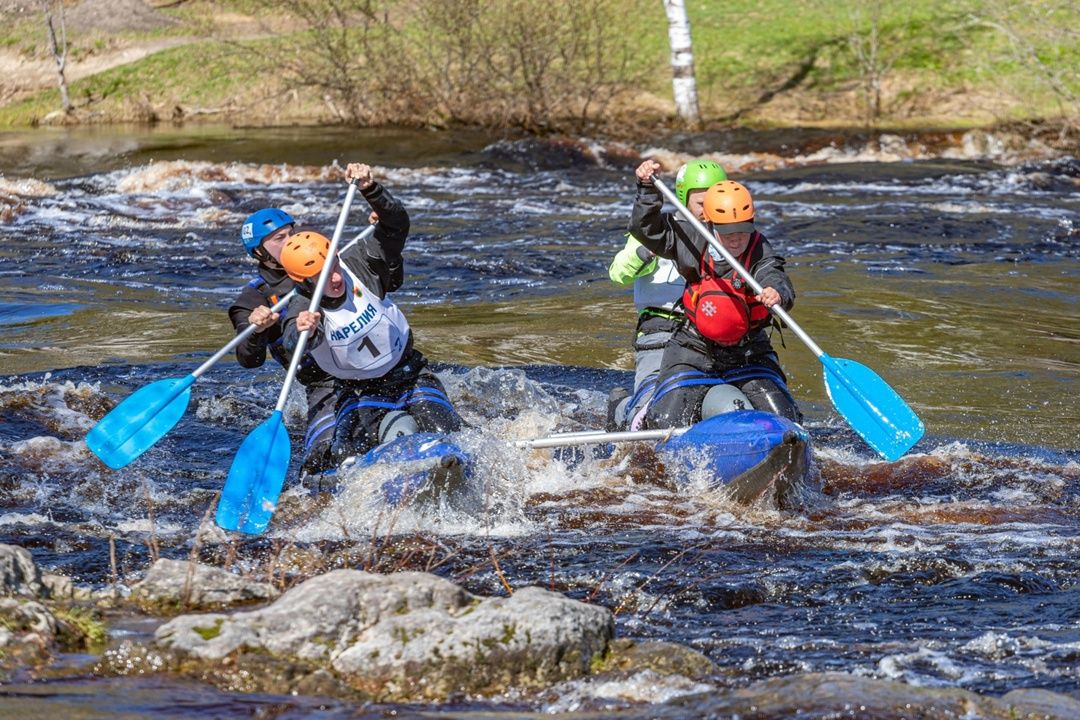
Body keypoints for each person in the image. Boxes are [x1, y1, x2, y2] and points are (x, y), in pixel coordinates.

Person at [279, 163, 463, 464]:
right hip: (357, 391)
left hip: (408, 373)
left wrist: (371, 190)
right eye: (321, 277)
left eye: (333, 266)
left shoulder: (359, 262)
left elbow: (397, 225)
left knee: (448, 431)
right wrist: (303, 332)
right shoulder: (303, 308)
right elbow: (292, 344)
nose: (335, 278)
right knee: (345, 456)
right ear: (303, 282)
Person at [628, 159, 802, 429]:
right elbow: (645, 228)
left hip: (748, 350)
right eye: (727, 232)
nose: (736, 238)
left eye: (743, 229)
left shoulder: (758, 246)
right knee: (665, 421)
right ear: (710, 223)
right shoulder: (691, 236)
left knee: (786, 418)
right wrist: (647, 189)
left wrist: (776, 292)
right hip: (694, 348)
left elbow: (773, 272)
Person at [606, 159, 727, 431]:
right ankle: (623, 408)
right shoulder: (658, 231)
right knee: (651, 406)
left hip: (705, 333)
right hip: (660, 331)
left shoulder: (729, 238)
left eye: (715, 202)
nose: (708, 212)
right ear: (684, 199)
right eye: (701, 204)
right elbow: (618, 273)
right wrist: (647, 252)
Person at [228, 207, 339, 476]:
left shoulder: (326, 265)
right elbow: (248, 359)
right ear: (259, 252)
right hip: (324, 383)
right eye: (279, 238)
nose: (291, 241)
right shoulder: (254, 299)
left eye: (291, 233)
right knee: (323, 459)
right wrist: (257, 330)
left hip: (364, 365)